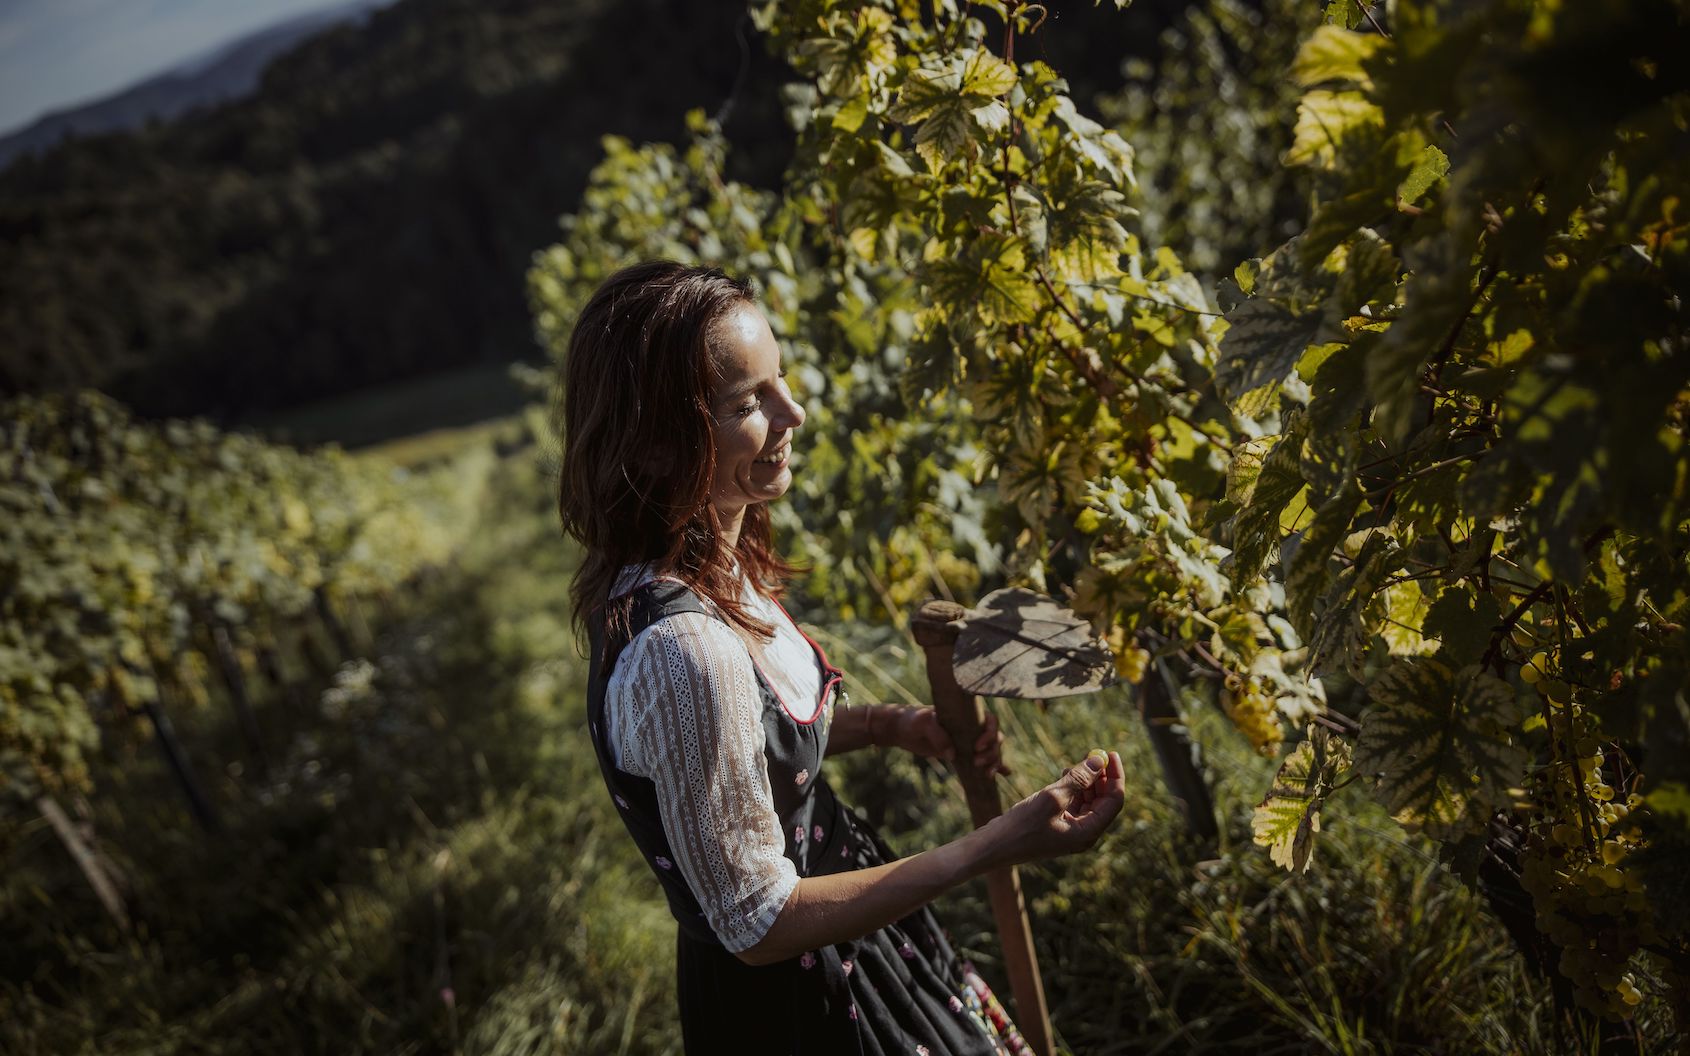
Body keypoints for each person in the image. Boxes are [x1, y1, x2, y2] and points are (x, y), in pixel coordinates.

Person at [558, 260, 1127, 1054]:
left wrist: (891, 725)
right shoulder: (682, 652)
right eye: (747, 402)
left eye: (781, 379)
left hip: (857, 942)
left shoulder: (712, 560)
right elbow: (758, 924)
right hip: (799, 1001)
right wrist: (1003, 842)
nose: (793, 411)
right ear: (655, 443)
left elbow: (746, 746)